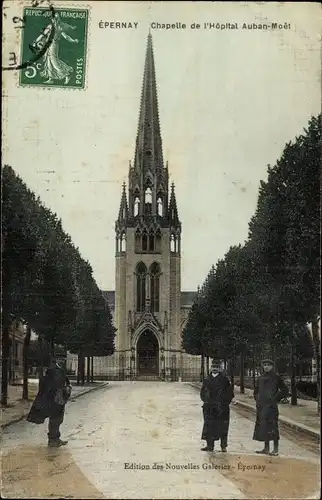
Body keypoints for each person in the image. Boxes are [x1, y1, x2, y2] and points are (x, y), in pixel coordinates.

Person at [27, 353, 72, 447]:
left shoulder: (60, 369)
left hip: (60, 398)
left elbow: (64, 381)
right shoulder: (52, 370)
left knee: (59, 419)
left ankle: (56, 438)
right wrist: (63, 390)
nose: (62, 361)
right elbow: (51, 385)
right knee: (54, 419)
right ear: (56, 359)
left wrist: (67, 387)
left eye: (63, 359)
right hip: (53, 398)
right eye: (60, 359)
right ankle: (52, 440)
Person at [253, 358, 289, 456]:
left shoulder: (276, 377)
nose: (266, 367)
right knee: (264, 426)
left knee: (273, 427)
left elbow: (285, 390)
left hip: (272, 407)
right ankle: (266, 448)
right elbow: (256, 391)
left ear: (272, 366)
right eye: (264, 365)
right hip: (262, 406)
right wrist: (257, 399)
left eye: (268, 365)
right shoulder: (260, 378)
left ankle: (275, 449)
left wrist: (275, 399)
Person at [200, 359, 234, 452]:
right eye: (213, 367)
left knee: (223, 427)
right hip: (209, 407)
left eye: (217, 367)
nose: (215, 369)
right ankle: (210, 446)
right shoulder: (207, 379)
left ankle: (223, 446)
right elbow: (202, 392)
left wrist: (224, 404)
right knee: (209, 426)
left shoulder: (224, 379)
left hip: (221, 408)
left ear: (220, 368)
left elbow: (230, 394)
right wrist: (206, 402)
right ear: (211, 368)